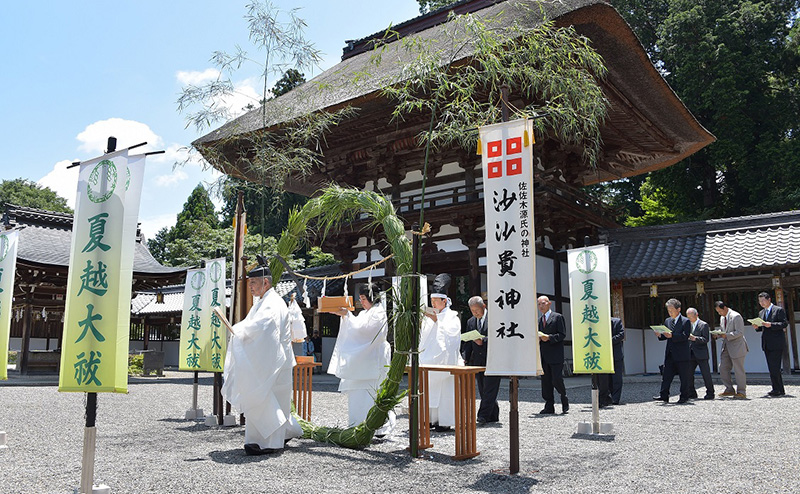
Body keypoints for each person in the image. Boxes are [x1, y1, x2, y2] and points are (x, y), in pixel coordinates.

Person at [222, 264, 303, 455]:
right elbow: (252, 324)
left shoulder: (273, 302)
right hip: (272, 359)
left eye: (253, 283)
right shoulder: (262, 301)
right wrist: (238, 329)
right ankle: (273, 435)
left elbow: (264, 326)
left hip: (276, 361)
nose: (250, 287)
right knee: (268, 398)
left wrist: (239, 331)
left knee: (268, 397)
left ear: (265, 282)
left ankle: (270, 442)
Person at [328, 283, 395, 435]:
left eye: (364, 298)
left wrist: (347, 315)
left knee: (373, 392)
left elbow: (364, 331)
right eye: (360, 299)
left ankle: (377, 427)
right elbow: (358, 328)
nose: (362, 302)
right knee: (358, 394)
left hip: (374, 358)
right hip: (363, 360)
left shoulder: (378, 313)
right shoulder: (365, 314)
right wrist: (347, 316)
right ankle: (357, 424)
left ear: (372, 297)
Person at [420, 273, 463, 431]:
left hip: (444, 361)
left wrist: (437, 322)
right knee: (429, 391)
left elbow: (451, 337)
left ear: (444, 301)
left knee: (445, 392)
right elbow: (424, 338)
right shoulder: (430, 317)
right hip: (429, 359)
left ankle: (444, 421)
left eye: (435, 301)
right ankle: (429, 419)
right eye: (431, 301)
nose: (433, 303)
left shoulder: (452, 317)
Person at [462, 296, 500, 425]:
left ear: (484, 306)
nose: (475, 313)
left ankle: (482, 416)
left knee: (490, 388)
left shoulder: (495, 319)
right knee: (483, 388)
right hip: (478, 360)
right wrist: (464, 357)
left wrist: (483, 340)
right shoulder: (471, 322)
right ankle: (493, 415)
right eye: (472, 311)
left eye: (477, 310)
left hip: (493, 358)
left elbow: (499, 337)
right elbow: (467, 343)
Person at [652, 298, 693, 404]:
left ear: (678, 309)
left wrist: (672, 335)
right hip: (670, 353)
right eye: (668, 311)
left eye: (671, 310)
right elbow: (665, 336)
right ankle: (664, 395)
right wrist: (659, 335)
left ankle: (684, 396)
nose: (670, 313)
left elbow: (685, 336)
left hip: (682, 354)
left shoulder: (686, 321)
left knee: (684, 377)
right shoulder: (668, 321)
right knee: (666, 376)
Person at [537, 296, 569, 414]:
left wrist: (549, 338)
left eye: (543, 303)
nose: (541, 306)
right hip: (544, 355)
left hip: (555, 355)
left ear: (549, 303)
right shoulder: (539, 320)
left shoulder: (557, 317)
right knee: (545, 382)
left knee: (556, 379)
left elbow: (562, 334)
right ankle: (549, 405)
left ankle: (564, 398)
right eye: (539, 304)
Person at [753, 292, 787, 396]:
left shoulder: (778, 310)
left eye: (763, 300)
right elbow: (762, 328)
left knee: (775, 367)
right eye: (760, 301)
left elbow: (784, 323)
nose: (761, 303)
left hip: (776, 342)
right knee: (772, 367)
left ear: (769, 299)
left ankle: (777, 389)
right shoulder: (761, 313)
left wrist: (771, 324)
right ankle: (778, 388)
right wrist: (757, 327)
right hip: (766, 343)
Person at [715, 300, 748, 399]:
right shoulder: (722, 318)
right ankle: (729, 388)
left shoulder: (736, 316)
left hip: (737, 346)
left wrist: (726, 335)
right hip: (726, 346)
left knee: (738, 369)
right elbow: (724, 330)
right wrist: (718, 334)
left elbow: (740, 332)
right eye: (718, 312)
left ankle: (741, 391)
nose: (719, 313)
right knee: (723, 367)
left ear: (724, 308)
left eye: (720, 311)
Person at [686, 307, 714, 400]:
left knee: (706, 374)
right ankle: (691, 393)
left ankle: (710, 393)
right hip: (690, 353)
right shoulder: (687, 325)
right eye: (688, 317)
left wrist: (695, 338)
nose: (690, 319)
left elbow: (706, 339)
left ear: (696, 315)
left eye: (691, 317)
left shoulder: (703, 325)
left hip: (701, 353)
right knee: (688, 374)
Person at [598, 316, 625, 407]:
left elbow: (621, 334)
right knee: (604, 378)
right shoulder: (598, 322)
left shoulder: (617, 321)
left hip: (616, 353)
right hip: (603, 354)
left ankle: (615, 398)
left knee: (616, 377)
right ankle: (605, 398)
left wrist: (608, 341)